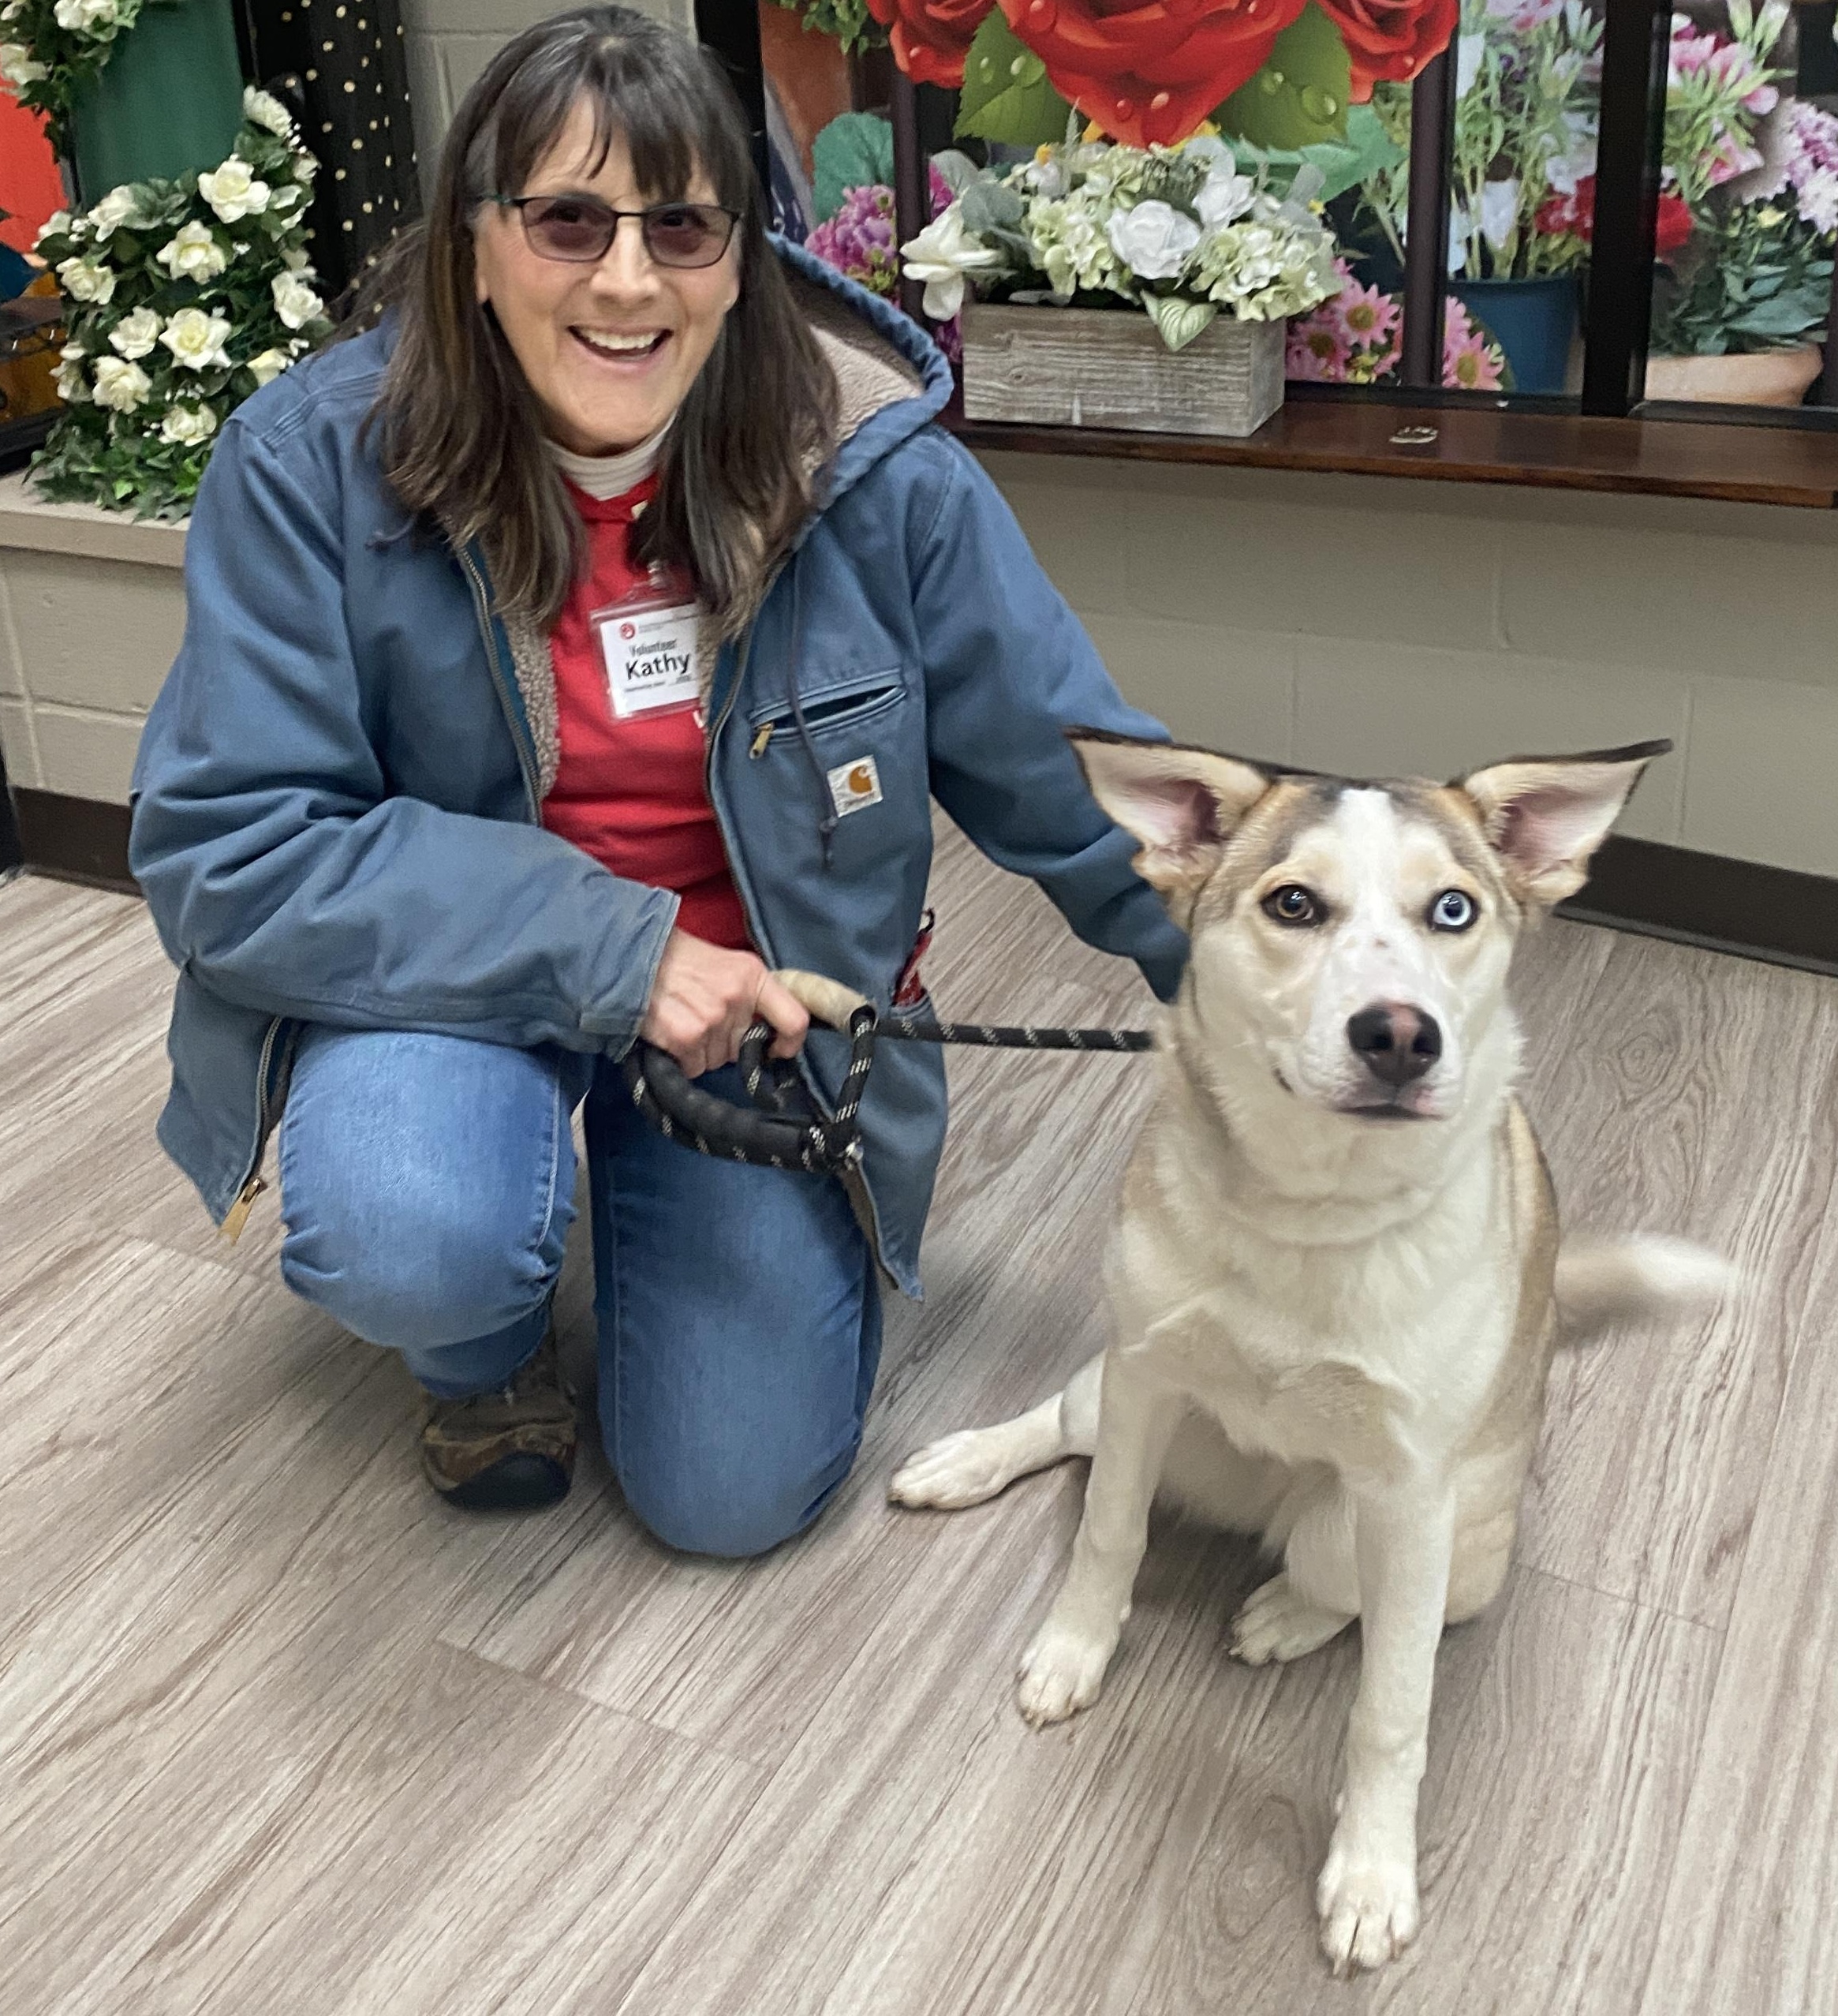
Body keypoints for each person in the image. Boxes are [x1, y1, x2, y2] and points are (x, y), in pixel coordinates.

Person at [129, 7, 1185, 1550]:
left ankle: (665, 1216)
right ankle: (482, 1359)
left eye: (681, 226)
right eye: (566, 221)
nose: (627, 279)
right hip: (450, 985)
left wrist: (1270, 976)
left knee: (729, 1495)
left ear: (738, 259)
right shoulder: (305, 471)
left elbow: (1072, 775)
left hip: (758, 1020)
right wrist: (622, 957)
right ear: (474, 247)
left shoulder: (877, 476)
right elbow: (232, 854)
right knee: (413, 1223)